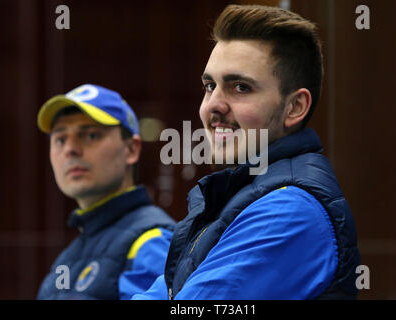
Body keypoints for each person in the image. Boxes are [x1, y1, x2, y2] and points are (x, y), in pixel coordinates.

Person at [133, 5, 360, 300]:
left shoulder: (288, 211)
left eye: (240, 87)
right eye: (209, 86)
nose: (213, 105)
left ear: (295, 107)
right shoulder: (241, 195)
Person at [36, 84, 175, 299]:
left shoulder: (152, 242)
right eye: (60, 139)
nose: (70, 149)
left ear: (131, 149)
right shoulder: (70, 254)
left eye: (90, 135)